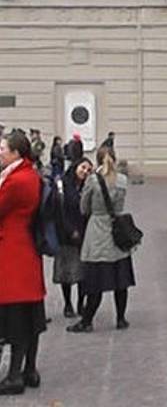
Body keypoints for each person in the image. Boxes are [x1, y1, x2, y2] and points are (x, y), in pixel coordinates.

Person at [67, 146, 135, 333]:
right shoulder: (122, 180)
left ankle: (87, 321)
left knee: (95, 281)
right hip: (117, 232)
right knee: (120, 281)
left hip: (97, 232)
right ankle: (120, 319)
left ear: (97, 160)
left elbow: (84, 207)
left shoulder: (92, 180)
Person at [0, 130, 46, 395]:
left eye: (3, 149)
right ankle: (29, 370)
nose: (0, 153)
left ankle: (14, 376)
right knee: (31, 316)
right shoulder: (30, 175)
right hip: (26, 252)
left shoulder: (16, 181)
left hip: (12, 251)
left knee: (15, 318)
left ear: (16, 152)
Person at [52, 157, 94, 318]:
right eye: (83, 167)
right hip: (65, 234)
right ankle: (68, 303)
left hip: (84, 233)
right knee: (66, 272)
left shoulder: (87, 186)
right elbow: (59, 210)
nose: (85, 172)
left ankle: (81, 303)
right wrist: (70, 230)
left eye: (88, 170)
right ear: (76, 166)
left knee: (83, 271)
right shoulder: (62, 184)